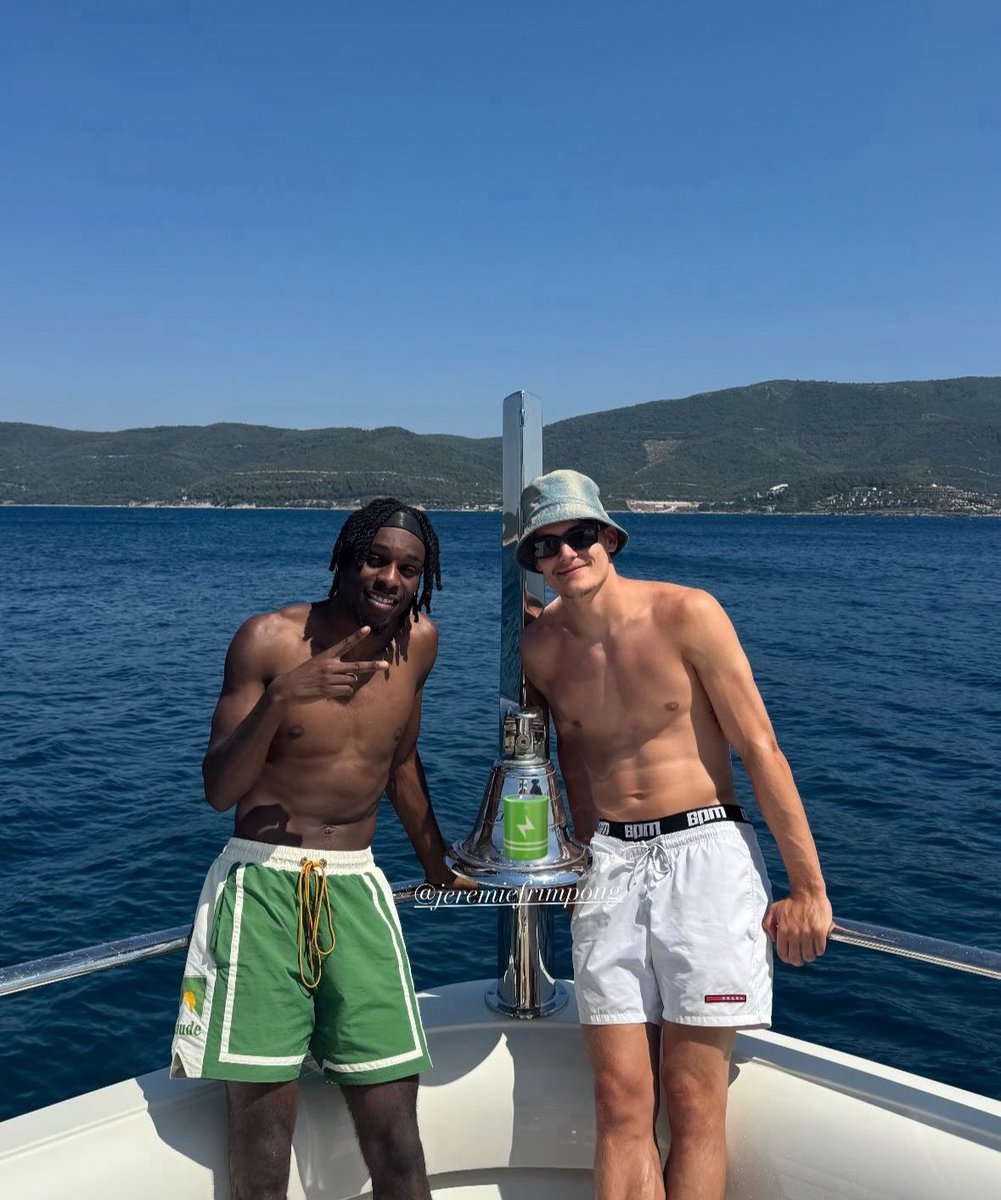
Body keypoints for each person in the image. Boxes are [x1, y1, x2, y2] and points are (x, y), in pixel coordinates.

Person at [517, 470, 832, 1200]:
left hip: (704, 853)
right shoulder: (540, 651)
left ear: (609, 536)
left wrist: (808, 888)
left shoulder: (687, 612)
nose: (566, 553)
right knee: (617, 1100)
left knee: (692, 1102)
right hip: (609, 863)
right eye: (545, 545)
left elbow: (760, 746)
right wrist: (578, 863)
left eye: (579, 534)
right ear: (532, 561)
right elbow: (570, 763)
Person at [171, 498, 460, 1200]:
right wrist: (281, 699)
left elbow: (400, 762)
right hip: (263, 890)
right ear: (345, 558)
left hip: (356, 887)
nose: (390, 578)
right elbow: (218, 789)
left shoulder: (418, 643)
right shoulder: (268, 640)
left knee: (398, 1141)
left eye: (408, 569)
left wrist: (438, 867)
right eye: (376, 560)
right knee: (264, 1146)